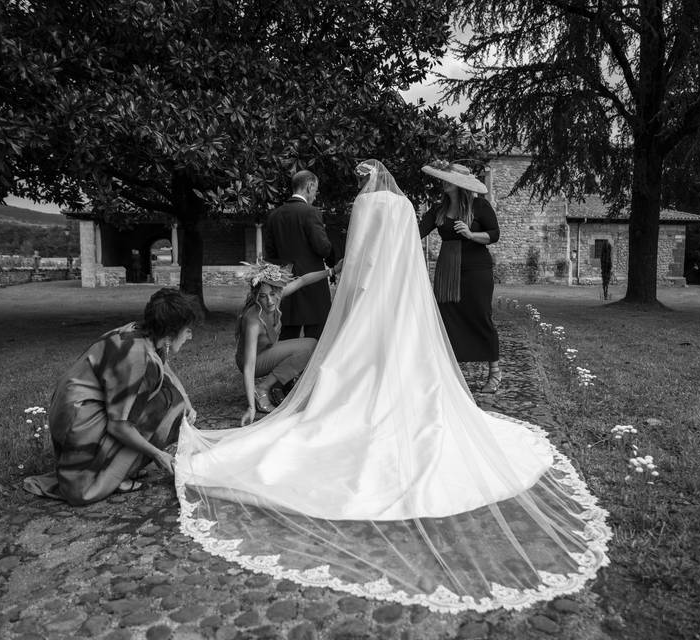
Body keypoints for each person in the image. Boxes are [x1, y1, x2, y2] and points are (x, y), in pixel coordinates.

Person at [174, 160, 609, 613]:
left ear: (366, 181)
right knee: (398, 354)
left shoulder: (364, 205)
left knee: (347, 357)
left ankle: (327, 396)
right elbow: (405, 250)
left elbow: (360, 256)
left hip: (371, 293)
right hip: (403, 295)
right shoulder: (403, 208)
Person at [24, 288, 200, 506]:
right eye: (187, 331)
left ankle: (115, 466)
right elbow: (118, 427)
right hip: (78, 420)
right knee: (166, 409)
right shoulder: (138, 357)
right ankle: (110, 475)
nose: (189, 336)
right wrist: (157, 454)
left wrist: (188, 405)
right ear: (170, 335)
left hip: (78, 407)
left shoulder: (143, 333)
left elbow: (168, 372)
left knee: (175, 402)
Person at [419, 161, 502, 393]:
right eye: (444, 179)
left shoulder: (480, 206)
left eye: (449, 179)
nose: (444, 182)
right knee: (448, 317)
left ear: (460, 185)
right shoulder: (438, 209)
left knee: (480, 315)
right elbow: (416, 232)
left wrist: (471, 234)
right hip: (447, 269)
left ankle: (495, 372)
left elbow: (494, 235)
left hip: (476, 269)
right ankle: (451, 372)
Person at [236, 259, 343, 425]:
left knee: (311, 345)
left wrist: (332, 271)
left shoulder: (276, 298)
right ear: (256, 296)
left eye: (273, 294)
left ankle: (278, 383)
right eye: (263, 296)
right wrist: (250, 407)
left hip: (266, 351)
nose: (270, 301)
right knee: (307, 348)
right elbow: (248, 366)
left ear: (278, 291)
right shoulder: (253, 321)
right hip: (252, 361)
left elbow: (302, 280)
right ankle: (262, 388)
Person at [263, 170, 334, 340]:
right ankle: (312, 367)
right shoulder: (311, 212)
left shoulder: (274, 216)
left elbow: (270, 254)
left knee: (288, 334)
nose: (315, 196)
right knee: (316, 336)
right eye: (315, 190)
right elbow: (323, 248)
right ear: (309, 186)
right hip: (313, 283)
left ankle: (286, 366)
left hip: (285, 282)